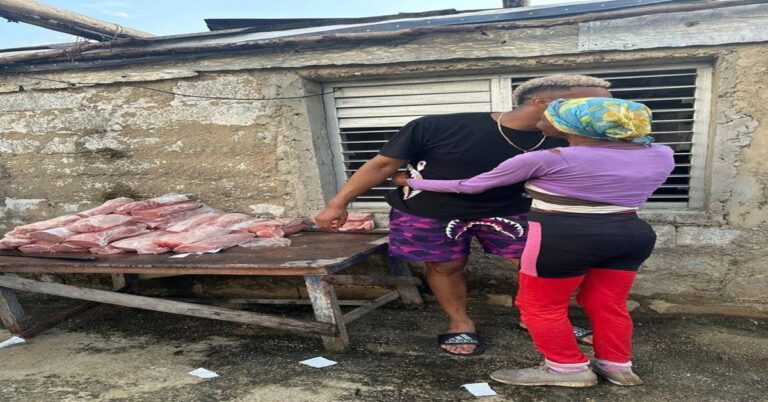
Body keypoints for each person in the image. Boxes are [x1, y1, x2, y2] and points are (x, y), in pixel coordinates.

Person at [314, 75, 612, 356]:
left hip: (513, 208)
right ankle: (459, 322)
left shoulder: (576, 138)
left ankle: (538, 317)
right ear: (543, 103)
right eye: (592, 104)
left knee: (538, 263)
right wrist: (338, 203)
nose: (601, 112)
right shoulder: (437, 126)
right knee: (446, 266)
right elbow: (382, 166)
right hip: (430, 209)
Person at [393, 97, 674, 386]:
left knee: (539, 306)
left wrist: (409, 182)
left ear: (572, 128)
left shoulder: (547, 158)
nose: (541, 121)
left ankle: (567, 369)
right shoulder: (661, 154)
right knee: (607, 303)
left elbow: (470, 186)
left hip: (564, 238)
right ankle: (617, 366)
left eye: (550, 118)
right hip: (631, 235)